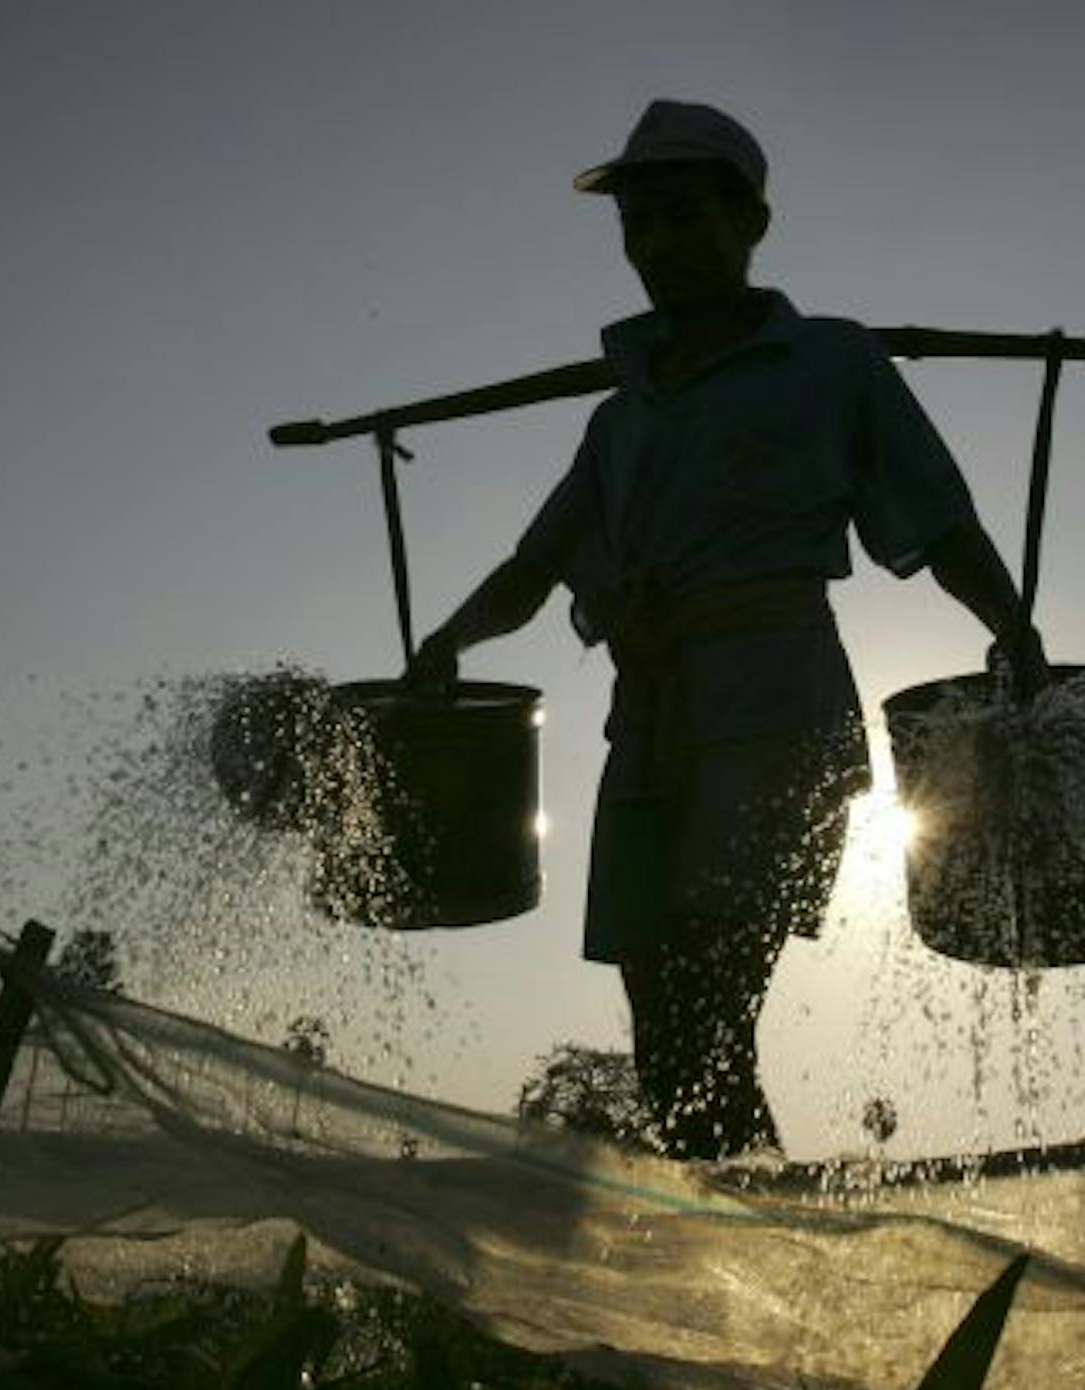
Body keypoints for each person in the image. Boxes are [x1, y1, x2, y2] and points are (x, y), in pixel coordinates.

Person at [406, 100, 1045, 1160]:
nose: (655, 246)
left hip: (779, 711)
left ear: (750, 221)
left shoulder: (828, 364)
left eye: (681, 218)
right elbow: (534, 567)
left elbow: (938, 518)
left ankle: (765, 1267)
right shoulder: (621, 417)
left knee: (709, 999)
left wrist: (1013, 625)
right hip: (652, 726)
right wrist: (445, 644)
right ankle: (749, 1255)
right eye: (637, 226)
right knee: (665, 1038)